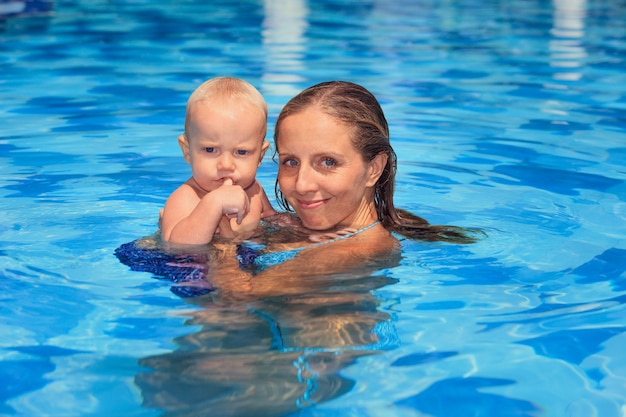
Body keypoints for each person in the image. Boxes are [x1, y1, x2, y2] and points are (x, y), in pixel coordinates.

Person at [160, 77, 275, 245]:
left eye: (241, 152)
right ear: (187, 152)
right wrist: (213, 204)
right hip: (195, 267)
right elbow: (176, 245)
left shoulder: (255, 190)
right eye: (210, 150)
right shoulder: (186, 198)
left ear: (260, 156)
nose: (226, 165)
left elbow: (271, 220)